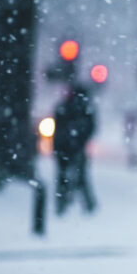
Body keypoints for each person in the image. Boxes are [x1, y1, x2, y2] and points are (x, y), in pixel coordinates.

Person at [53, 84, 97, 215]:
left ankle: (63, 204)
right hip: (70, 147)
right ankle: (84, 204)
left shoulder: (67, 107)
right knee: (78, 176)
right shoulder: (82, 109)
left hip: (67, 147)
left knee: (67, 176)